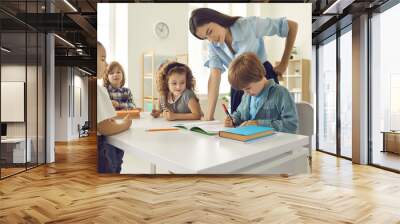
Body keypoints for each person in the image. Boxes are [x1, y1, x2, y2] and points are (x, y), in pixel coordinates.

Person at [189, 8, 298, 120]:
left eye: (210, 32)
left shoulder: (248, 25)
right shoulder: (213, 46)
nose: (211, 39)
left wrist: (284, 63)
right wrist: (209, 116)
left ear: (217, 19)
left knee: (269, 124)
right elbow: (214, 77)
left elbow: (291, 26)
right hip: (238, 85)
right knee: (238, 127)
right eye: (206, 38)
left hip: (260, 77)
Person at [224, 52, 298, 134]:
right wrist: (233, 119)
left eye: (248, 88)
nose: (246, 93)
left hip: (274, 143)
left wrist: (259, 124)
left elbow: (291, 125)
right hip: (251, 143)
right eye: (243, 90)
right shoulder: (246, 96)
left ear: (258, 75)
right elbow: (239, 114)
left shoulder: (280, 93)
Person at [97, 42, 132, 173]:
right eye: (102, 59)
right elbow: (104, 127)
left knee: (116, 164)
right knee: (112, 169)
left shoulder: (126, 91)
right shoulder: (100, 90)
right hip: (102, 146)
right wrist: (125, 124)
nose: (105, 64)